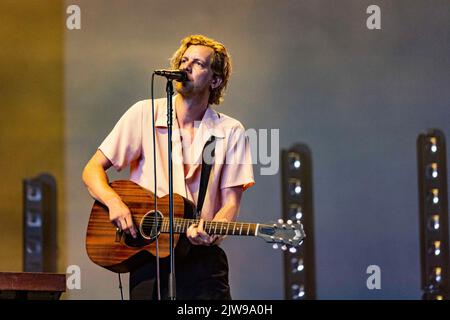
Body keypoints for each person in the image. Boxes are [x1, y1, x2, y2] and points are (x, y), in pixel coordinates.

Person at [82, 34, 254, 300]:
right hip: (148, 252)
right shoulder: (143, 114)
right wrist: (114, 202)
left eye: (197, 63)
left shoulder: (230, 131)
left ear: (215, 80)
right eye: (184, 60)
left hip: (202, 262)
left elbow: (231, 202)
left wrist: (212, 229)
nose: (186, 67)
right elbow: (92, 169)